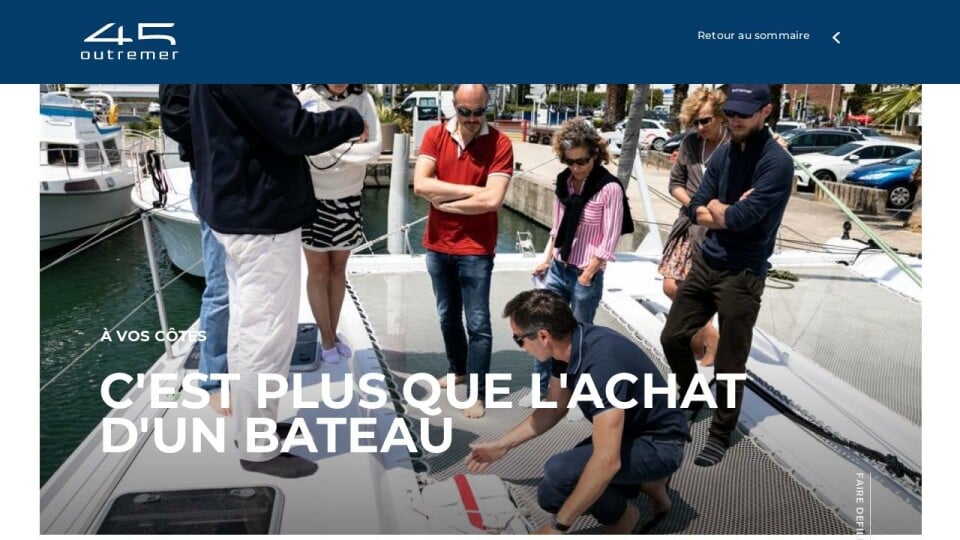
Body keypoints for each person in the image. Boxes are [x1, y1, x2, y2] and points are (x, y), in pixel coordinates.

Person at [190, 84, 366, 478]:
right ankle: (258, 448)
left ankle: (256, 428)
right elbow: (294, 130)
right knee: (265, 336)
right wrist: (351, 120)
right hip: (260, 217)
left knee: (247, 330)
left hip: (237, 209)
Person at [467, 290, 687, 534]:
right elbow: (554, 407)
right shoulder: (567, 346)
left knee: (561, 473)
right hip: (629, 432)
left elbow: (607, 461)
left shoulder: (602, 367)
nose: (521, 347)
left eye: (519, 339)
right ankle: (649, 483)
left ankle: (625, 515)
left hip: (661, 444)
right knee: (550, 496)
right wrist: (502, 445)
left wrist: (557, 528)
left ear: (543, 336)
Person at [660, 84, 793, 467]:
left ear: (766, 111)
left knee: (731, 361)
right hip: (707, 261)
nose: (734, 119)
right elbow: (696, 207)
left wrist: (721, 211)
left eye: (744, 114)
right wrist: (722, 210)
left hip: (743, 271)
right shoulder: (724, 152)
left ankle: (720, 433)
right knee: (673, 337)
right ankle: (692, 396)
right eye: (730, 112)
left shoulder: (776, 163)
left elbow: (742, 219)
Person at [413, 84, 514, 420]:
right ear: (453, 106)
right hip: (437, 245)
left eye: (479, 112)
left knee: (478, 323)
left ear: (487, 107)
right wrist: (472, 191)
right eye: (465, 112)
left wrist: (445, 202)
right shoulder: (434, 135)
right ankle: (458, 369)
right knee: (447, 316)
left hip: (476, 249)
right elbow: (421, 184)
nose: (472, 119)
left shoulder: (500, 143)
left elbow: (493, 200)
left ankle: (478, 392)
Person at [525, 118, 632, 408]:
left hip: (586, 273)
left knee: (578, 340)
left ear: (594, 154)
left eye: (582, 161)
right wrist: (547, 259)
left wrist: (587, 275)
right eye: (569, 161)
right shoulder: (565, 182)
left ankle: (576, 397)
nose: (576, 167)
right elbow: (557, 228)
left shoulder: (609, 188)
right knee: (543, 330)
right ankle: (541, 390)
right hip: (558, 269)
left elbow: (610, 238)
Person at [158, 84, 232, 416]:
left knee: (254, 288)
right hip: (213, 180)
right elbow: (175, 120)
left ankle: (244, 367)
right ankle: (214, 379)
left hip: (252, 182)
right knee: (221, 287)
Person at [296, 84, 381, 364]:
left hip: (350, 198)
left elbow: (374, 150)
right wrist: (349, 147)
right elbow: (307, 151)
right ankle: (327, 339)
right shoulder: (307, 100)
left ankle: (331, 333)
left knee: (338, 270)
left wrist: (327, 145)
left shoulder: (363, 99)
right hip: (314, 199)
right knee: (318, 271)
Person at [658, 88, 728, 368]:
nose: (700, 127)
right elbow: (675, 183)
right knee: (671, 285)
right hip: (688, 223)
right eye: (695, 122)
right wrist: (693, 205)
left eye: (705, 120)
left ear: (720, 116)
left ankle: (699, 339)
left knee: (700, 289)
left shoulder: (732, 146)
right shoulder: (690, 143)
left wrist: (712, 211)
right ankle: (709, 333)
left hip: (717, 227)